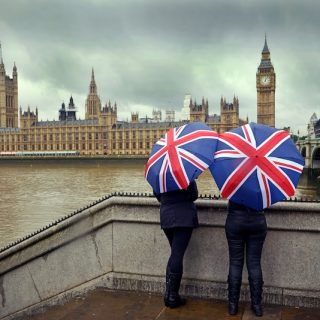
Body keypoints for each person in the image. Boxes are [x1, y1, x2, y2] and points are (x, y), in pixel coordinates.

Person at [154, 180, 199, 308]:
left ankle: (169, 294)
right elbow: (194, 195)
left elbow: (158, 196)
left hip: (167, 217)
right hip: (183, 217)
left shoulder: (160, 175)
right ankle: (172, 296)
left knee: (174, 254)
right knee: (177, 255)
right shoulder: (186, 175)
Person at [225, 200, 267, 317]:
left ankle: (233, 305)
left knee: (235, 263)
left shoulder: (234, 182)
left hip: (235, 221)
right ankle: (257, 305)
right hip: (257, 222)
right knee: (254, 263)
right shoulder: (261, 183)